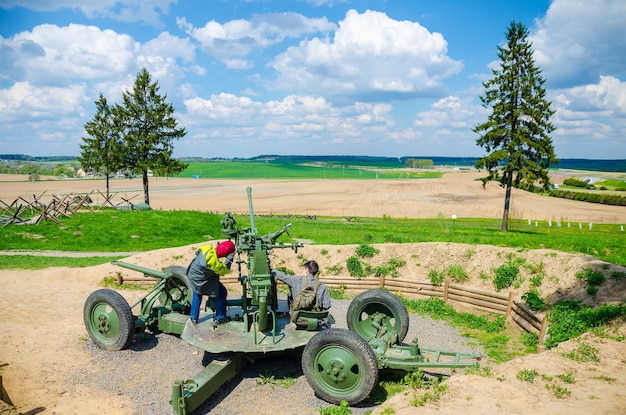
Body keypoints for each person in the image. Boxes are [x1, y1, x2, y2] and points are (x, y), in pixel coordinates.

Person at [186, 240, 236, 324]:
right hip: (201, 280)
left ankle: (193, 317)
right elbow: (224, 270)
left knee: (197, 294)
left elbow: (198, 252)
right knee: (222, 293)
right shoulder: (214, 263)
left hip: (192, 275)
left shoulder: (207, 248)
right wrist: (230, 257)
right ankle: (220, 318)